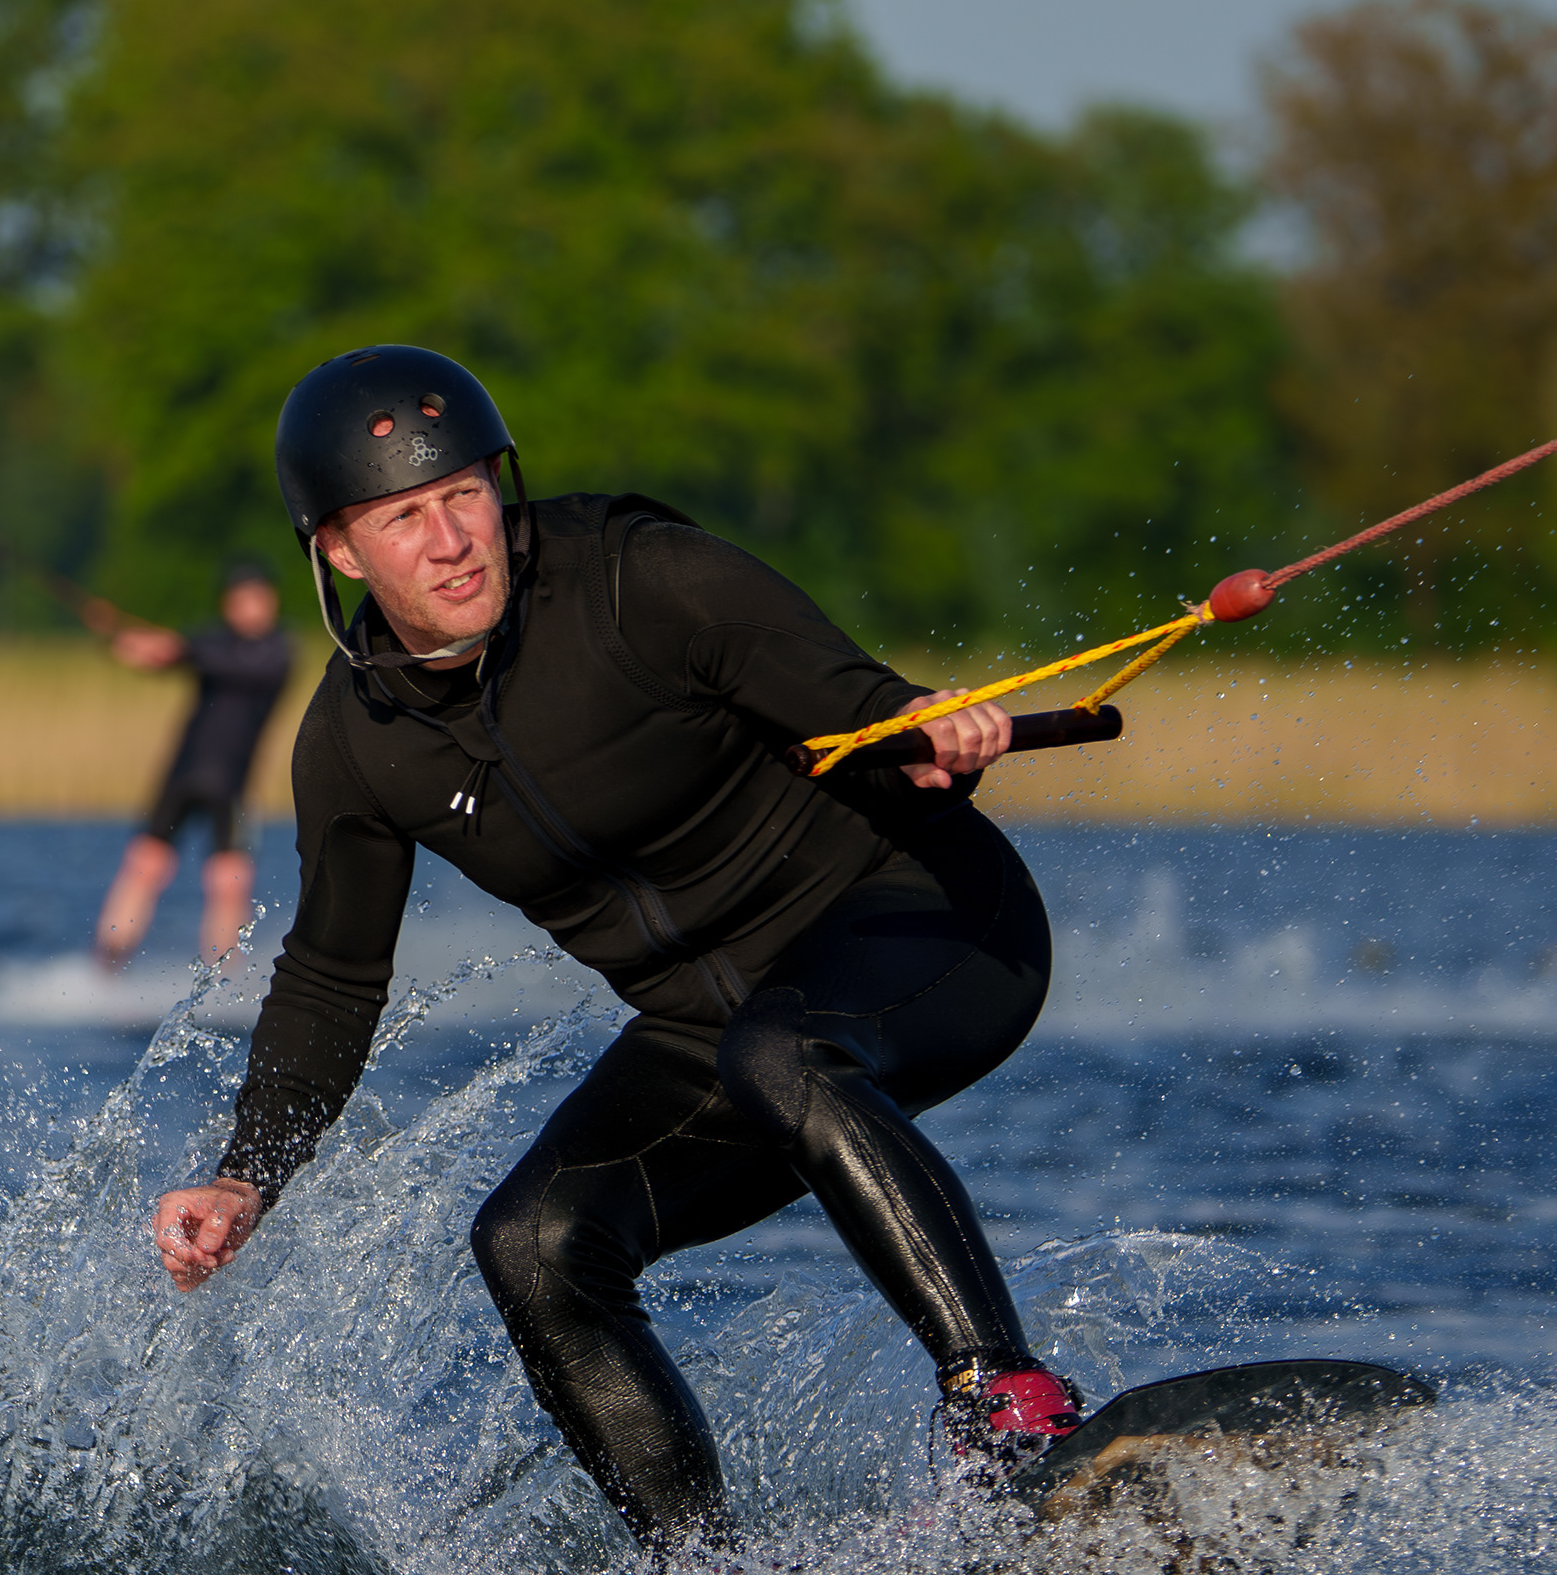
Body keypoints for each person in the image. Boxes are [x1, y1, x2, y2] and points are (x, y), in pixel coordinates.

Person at [148, 347, 1080, 1555]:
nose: (452, 540)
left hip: (925, 922)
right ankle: (702, 1559)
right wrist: (247, 1174)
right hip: (716, 1028)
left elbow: (859, 702)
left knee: (784, 1051)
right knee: (533, 1244)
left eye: (465, 494)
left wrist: (926, 732)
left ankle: (1007, 1405)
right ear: (339, 550)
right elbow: (331, 975)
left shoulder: (644, 577)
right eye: (404, 518)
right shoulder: (356, 743)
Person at [92, 560, 294, 970]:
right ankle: (106, 966)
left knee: (228, 881)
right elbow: (166, 657)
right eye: (242, 599)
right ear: (228, 604)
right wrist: (121, 637)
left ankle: (223, 976)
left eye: (258, 598)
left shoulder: (276, 653)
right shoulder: (210, 642)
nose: (251, 607)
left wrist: (176, 649)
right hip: (184, 775)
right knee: (145, 865)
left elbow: (215, 660)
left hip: (233, 784)